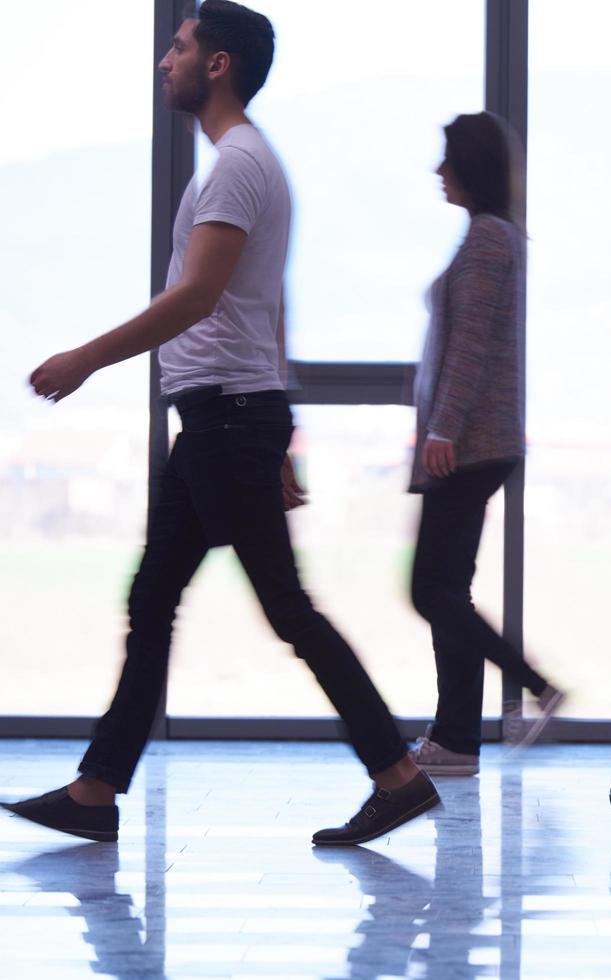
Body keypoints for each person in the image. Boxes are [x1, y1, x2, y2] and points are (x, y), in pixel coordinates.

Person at [4, 1, 437, 846]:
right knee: (156, 596)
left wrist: (86, 359)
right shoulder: (240, 163)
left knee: (283, 607)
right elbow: (266, 309)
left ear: (218, 64)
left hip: (227, 424)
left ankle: (399, 774)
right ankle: (96, 793)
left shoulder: (238, 163)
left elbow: (198, 297)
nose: (164, 60)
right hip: (228, 420)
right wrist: (285, 427)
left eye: (178, 46)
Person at [404, 112, 564, 777]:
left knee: (428, 590)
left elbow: (469, 345)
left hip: (471, 442)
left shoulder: (489, 239)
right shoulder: (489, 236)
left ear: (469, 167)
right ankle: (456, 742)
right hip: (472, 439)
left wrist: (442, 429)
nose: (438, 172)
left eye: (447, 160)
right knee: (447, 588)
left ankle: (533, 684)